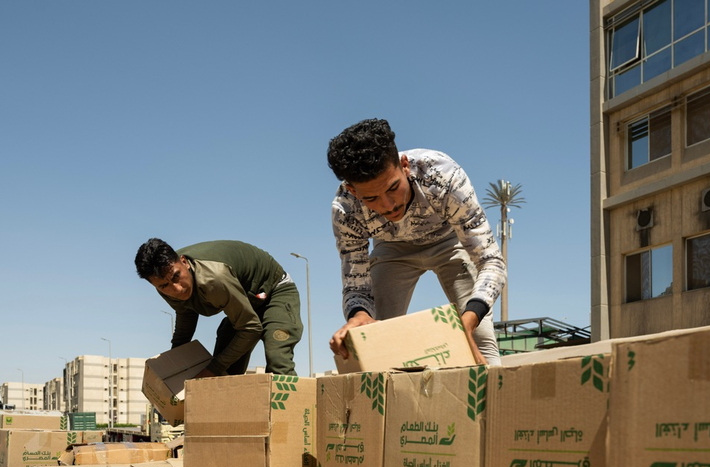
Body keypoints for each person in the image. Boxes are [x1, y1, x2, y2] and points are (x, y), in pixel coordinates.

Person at [327, 118, 506, 365]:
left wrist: (469, 319)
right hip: (391, 250)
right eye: (372, 198)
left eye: (392, 188)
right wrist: (358, 315)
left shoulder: (442, 176)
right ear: (354, 191)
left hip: (449, 241)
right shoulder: (346, 210)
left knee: (479, 336)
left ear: (404, 165)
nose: (388, 206)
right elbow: (356, 284)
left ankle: (496, 400)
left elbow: (491, 262)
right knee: (372, 338)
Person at [135, 238, 302, 376]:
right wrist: (172, 370)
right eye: (164, 285)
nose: (176, 289)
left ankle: (293, 415)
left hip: (274, 290)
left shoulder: (213, 278)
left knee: (278, 359)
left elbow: (251, 329)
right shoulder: (166, 289)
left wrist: (212, 368)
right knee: (225, 374)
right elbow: (185, 326)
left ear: (184, 262)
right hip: (243, 301)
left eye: (176, 276)